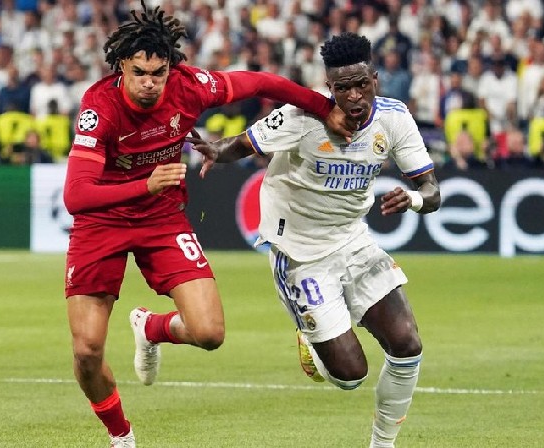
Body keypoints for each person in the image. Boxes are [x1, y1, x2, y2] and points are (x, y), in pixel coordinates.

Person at [62, 2, 351, 447]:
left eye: (158, 73)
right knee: (86, 351)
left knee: (210, 333)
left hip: (161, 219)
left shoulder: (190, 86)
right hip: (102, 224)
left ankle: (151, 328)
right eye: (139, 73)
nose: (149, 83)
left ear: (170, 68)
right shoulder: (99, 107)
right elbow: (76, 196)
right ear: (120, 66)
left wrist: (323, 107)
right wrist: (145, 185)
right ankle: (121, 436)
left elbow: (263, 82)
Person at [187, 32, 441, 448]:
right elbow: (245, 144)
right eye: (343, 87)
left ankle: (383, 444)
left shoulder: (394, 118)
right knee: (350, 376)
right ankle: (311, 338)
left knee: (407, 344)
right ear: (329, 87)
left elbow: (432, 192)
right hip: (300, 253)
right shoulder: (301, 117)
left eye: (362, 84)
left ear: (375, 79)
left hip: (353, 240)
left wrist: (413, 199)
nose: (355, 96)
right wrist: (216, 151)